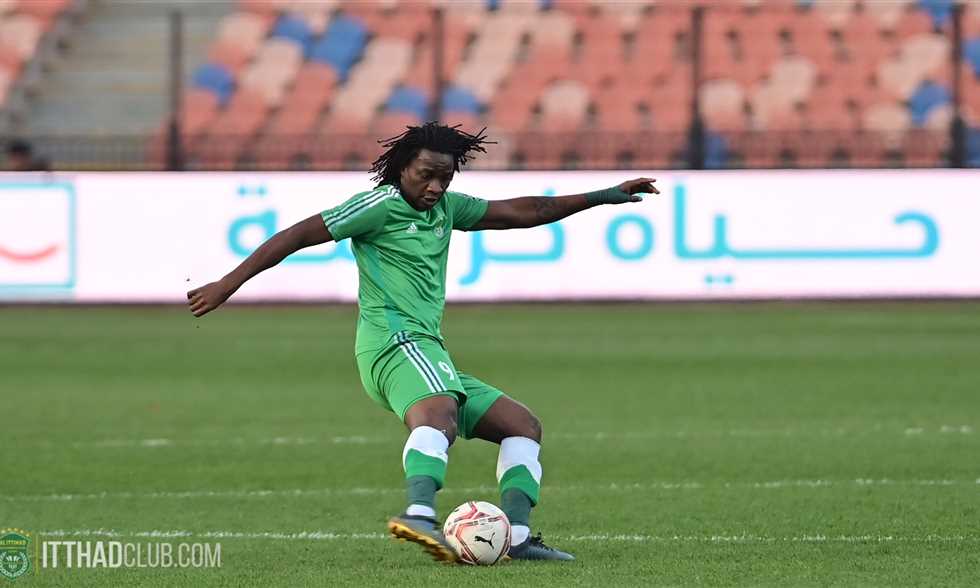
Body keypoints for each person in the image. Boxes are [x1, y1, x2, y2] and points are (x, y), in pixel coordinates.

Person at [187, 122, 658, 562]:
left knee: (522, 426)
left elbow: (526, 212)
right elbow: (296, 236)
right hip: (392, 343)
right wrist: (227, 284)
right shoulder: (377, 206)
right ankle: (417, 515)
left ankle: (515, 537)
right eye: (426, 175)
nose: (435, 187)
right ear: (402, 169)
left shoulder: (447, 208)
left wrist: (603, 196)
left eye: (444, 178)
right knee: (439, 414)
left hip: (426, 350)